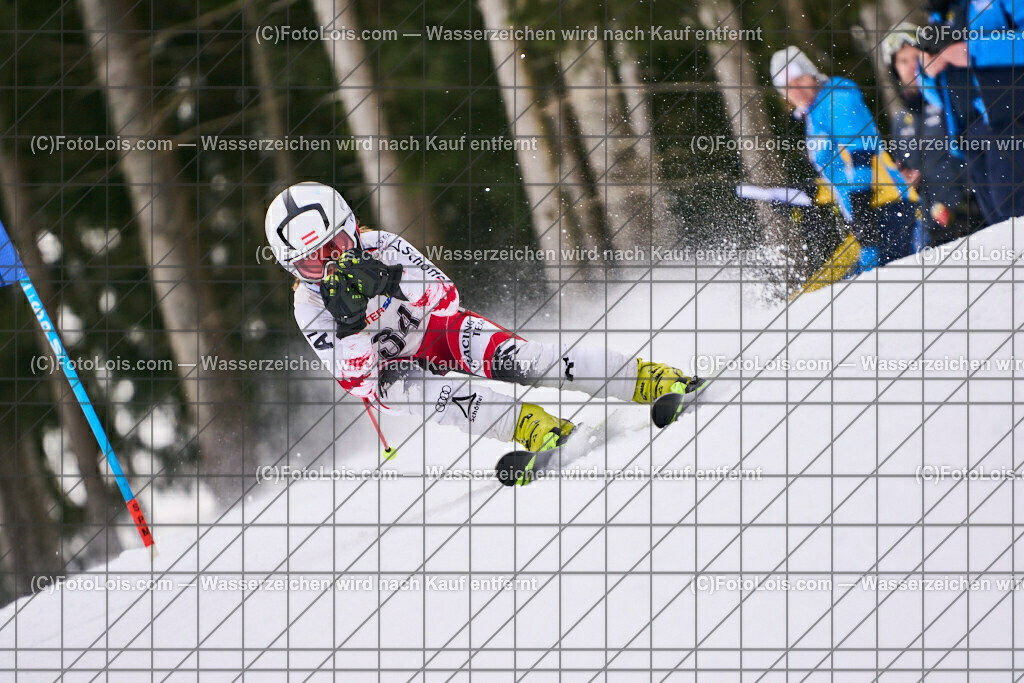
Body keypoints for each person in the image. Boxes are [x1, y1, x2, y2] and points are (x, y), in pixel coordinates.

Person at [264, 182, 705, 464]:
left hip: (434, 331)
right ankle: (532, 426)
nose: (332, 265)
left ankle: (648, 379)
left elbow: (444, 296)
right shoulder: (309, 305)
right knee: (448, 398)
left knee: (524, 361)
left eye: (337, 246)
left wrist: (391, 281)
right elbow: (357, 383)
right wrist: (351, 325)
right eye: (312, 262)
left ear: (353, 229)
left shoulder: (382, 246)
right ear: (293, 270)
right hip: (389, 371)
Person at [769, 47, 924, 272]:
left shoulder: (835, 99)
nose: (796, 90)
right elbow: (840, 172)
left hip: (887, 205)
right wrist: (809, 193)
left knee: (896, 288)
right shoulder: (815, 113)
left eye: (799, 79)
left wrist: (861, 205)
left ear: (812, 74)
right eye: (787, 87)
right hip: (868, 211)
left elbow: (861, 150)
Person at [920, 0, 1024, 221]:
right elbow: (936, 97)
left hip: (1010, 121)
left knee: (1013, 215)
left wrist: (974, 51)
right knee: (999, 226)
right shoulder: (940, 13)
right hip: (969, 136)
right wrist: (926, 72)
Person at [881, 23, 978, 243]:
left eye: (916, 57)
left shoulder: (949, 99)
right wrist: (906, 178)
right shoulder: (899, 121)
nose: (911, 66)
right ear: (894, 68)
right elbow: (903, 170)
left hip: (974, 210)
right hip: (934, 225)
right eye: (903, 61)